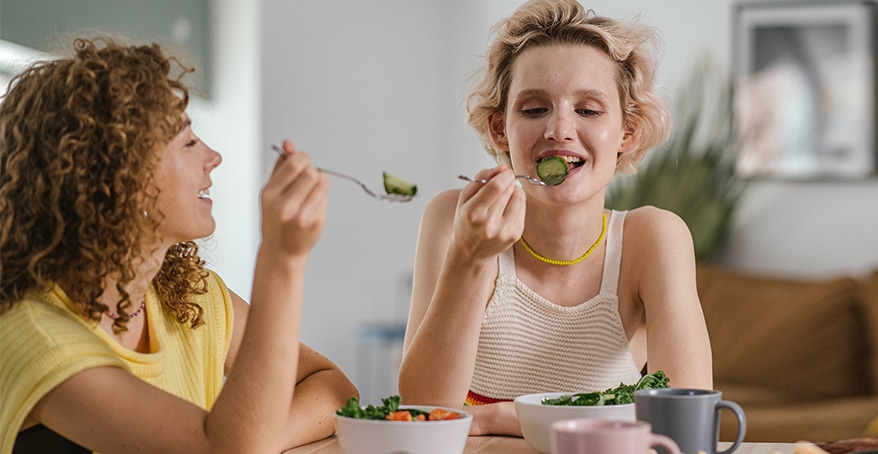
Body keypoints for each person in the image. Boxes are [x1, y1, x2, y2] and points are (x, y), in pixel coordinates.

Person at [0, 37, 357, 453]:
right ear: (116, 179)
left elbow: (333, 388)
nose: (214, 156)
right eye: (188, 142)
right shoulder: (31, 333)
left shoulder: (190, 295)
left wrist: (260, 437)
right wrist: (283, 258)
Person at [399, 0, 713, 436]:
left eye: (587, 110)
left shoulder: (653, 238)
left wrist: (501, 418)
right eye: (533, 109)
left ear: (628, 131)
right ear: (498, 129)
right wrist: (470, 258)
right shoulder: (454, 219)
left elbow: (686, 420)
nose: (559, 130)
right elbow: (422, 411)